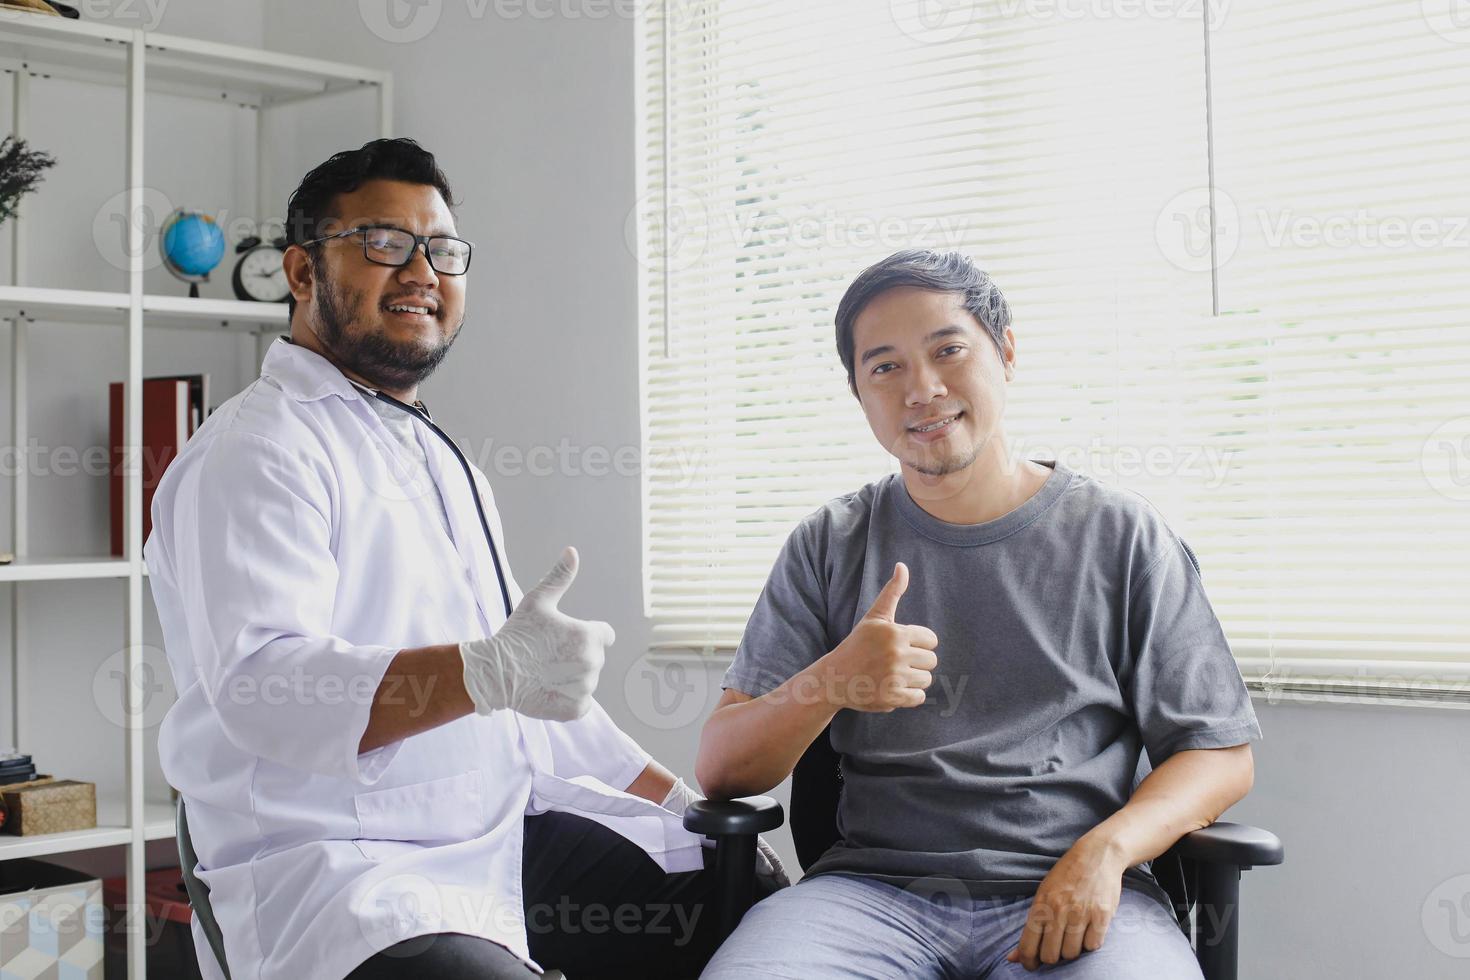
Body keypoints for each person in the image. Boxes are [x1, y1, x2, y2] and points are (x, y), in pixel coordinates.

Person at [145, 138, 783, 980]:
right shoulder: (258, 450)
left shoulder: (437, 456)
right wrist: (482, 673)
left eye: (442, 250)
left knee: (752, 903)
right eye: (383, 244)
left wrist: (677, 800)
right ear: (301, 274)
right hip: (340, 869)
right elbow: (266, 688)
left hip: (491, 839)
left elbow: (537, 703)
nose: (421, 272)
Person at [696, 249, 1260, 978]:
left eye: (947, 350)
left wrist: (1107, 851)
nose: (921, 389)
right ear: (859, 393)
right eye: (885, 367)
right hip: (868, 895)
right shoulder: (830, 543)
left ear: (1007, 352)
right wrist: (832, 681)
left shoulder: (1121, 538)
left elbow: (1218, 754)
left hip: (1071, 888)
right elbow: (720, 770)